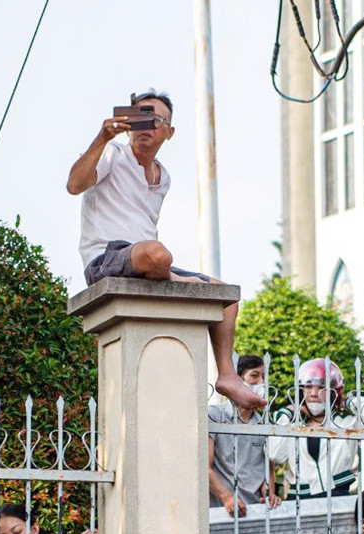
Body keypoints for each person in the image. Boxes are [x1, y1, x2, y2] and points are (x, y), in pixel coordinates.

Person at [67, 90, 261, 411]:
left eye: (155, 119)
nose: (146, 125)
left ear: (168, 132)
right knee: (157, 254)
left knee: (227, 297)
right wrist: (103, 137)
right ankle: (174, 278)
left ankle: (227, 375)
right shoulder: (113, 153)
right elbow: (75, 185)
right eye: (140, 116)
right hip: (106, 257)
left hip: (143, 258)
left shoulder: (162, 176)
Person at [267, 358, 364, 500]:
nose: (313, 393)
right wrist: (286, 414)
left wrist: (348, 400)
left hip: (338, 498)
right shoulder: (293, 427)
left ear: (333, 392)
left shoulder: (346, 424)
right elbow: (275, 454)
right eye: (308, 387)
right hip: (299, 501)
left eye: (321, 387)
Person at [210, 355, 278, 516]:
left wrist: (269, 494)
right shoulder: (215, 416)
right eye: (254, 376)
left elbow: (268, 465)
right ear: (238, 381)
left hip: (255, 511)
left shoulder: (263, 423)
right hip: (222, 511)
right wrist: (227, 498)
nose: (261, 382)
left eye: (264, 377)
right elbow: (204, 468)